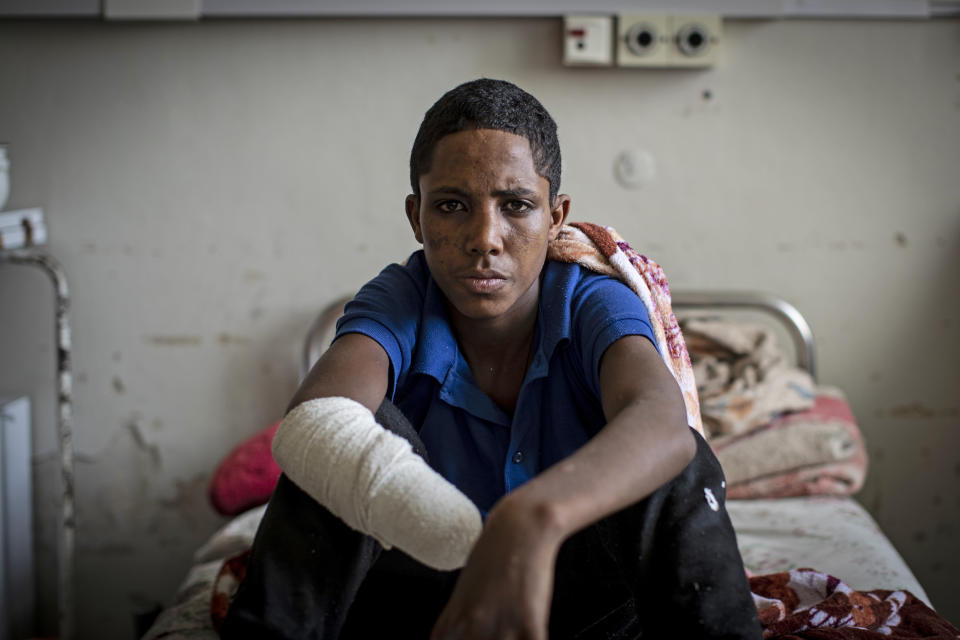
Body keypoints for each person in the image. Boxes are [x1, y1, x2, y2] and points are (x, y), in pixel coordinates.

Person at [221, 78, 760, 640]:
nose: (485, 238)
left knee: (670, 454)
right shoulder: (400, 299)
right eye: (452, 206)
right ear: (416, 217)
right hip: (417, 606)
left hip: (589, 610)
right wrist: (467, 542)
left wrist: (530, 521)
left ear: (556, 217)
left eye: (516, 206)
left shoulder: (591, 300)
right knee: (341, 437)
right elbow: (316, 421)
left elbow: (662, 422)